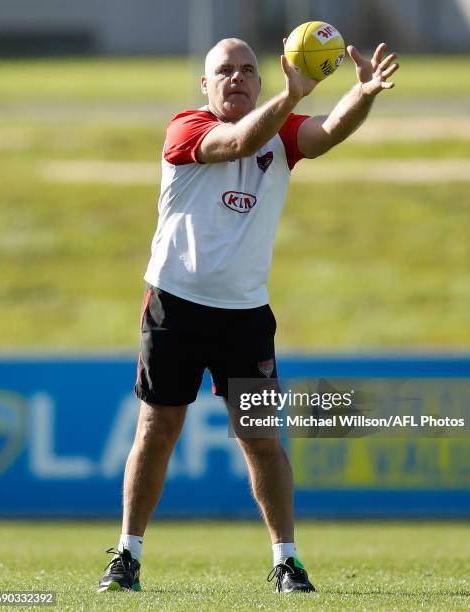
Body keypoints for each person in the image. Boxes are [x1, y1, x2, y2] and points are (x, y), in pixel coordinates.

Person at [98, 36, 399, 594]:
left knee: (261, 437)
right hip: (175, 306)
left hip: (245, 314)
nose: (235, 78)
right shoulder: (186, 128)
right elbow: (237, 142)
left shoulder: (283, 133)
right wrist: (290, 96)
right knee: (157, 428)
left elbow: (327, 132)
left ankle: (287, 562)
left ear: (259, 82)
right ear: (205, 85)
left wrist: (362, 93)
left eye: (245, 71)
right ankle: (127, 555)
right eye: (224, 71)